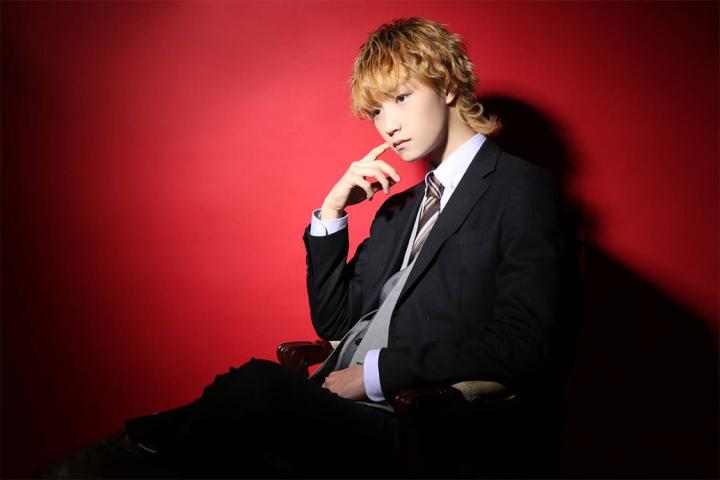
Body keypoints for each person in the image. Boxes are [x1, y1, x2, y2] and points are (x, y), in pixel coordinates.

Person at [36, 17, 563, 479]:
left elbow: (524, 342)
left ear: (446, 86)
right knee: (221, 454)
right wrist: (331, 213)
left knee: (253, 389)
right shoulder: (399, 210)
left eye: (401, 98)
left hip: (418, 424)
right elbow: (335, 321)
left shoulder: (520, 189)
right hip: (336, 407)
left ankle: (120, 451)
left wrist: (375, 375)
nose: (389, 125)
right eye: (376, 111)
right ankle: (123, 457)